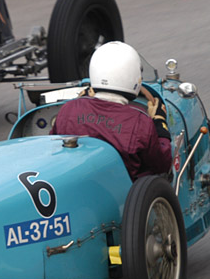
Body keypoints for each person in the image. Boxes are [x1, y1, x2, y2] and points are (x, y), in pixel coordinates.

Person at [50, 41, 172, 179]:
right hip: (124, 195)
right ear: (134, 76)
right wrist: (159, 123)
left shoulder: (69, 109)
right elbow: (162, 164)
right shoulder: (140, 122)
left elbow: (53, 146)